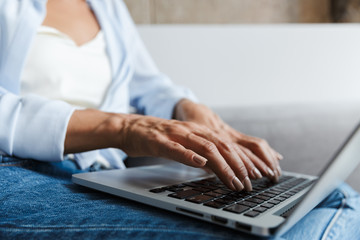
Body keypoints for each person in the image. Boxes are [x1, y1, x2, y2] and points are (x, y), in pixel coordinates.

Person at [0, 1, 359, 239]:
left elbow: (146, 84)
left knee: (333, 198)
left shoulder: (105, 4)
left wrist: (186, 108)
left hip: (99, 175)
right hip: (16, 173)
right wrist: (124, 127)